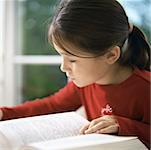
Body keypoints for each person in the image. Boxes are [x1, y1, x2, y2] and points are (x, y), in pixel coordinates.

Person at [0, 0, 150, 148]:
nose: (63, 67)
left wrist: (123, 125)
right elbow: (51, 105)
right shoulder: (85, 84)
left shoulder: (145, 89)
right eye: (61, 56)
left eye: (72, 59)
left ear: (111, 55)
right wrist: (3, 113)